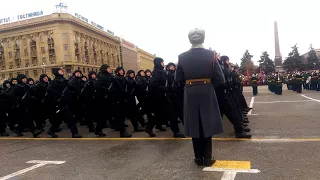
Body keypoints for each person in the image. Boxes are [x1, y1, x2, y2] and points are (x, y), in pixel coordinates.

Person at [175, 28, 225, 166]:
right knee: (207, 124)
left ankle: (198, 158)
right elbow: (220, 78)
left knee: (194, 125)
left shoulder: (182, 57)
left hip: (190, 91)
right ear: (203, 38)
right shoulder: (211, 55)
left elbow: (178, 79)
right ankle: (207, 158)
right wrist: (208, 86)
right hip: (207, 90)